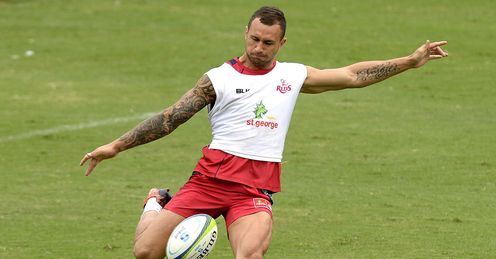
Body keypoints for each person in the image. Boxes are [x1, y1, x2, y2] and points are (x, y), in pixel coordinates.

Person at [80, 6, 448, 259]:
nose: (258, 48)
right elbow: (169, 119)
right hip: (209, 179)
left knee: (250, 254)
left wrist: (410, 61)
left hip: (254, 187)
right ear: (246, 33)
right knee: (145, 253)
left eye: (268, 43)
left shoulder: (290, 75)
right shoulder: (218, 79)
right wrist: (114, 146)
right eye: (254, 38)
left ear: (281, 44)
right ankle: (154, 201)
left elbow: (352, 75)